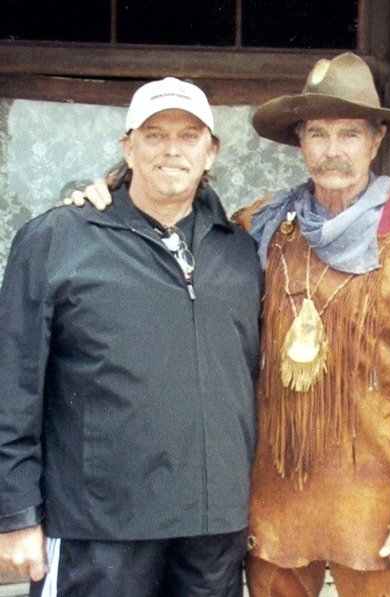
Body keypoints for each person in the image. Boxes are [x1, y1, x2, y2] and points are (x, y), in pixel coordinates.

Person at [73, 53, 390, 597]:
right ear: (300, 141)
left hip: (373, 503)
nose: (333, 149)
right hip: (276, 498)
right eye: (317, 133)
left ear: (377, 139)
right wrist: (110, 192)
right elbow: (176, 215)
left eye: (349, 133)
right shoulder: (263, 226)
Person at [0, 76, 263, 596]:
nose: (172, 150)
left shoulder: (240, 252)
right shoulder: (58, 240)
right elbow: (13, 387)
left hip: (212, 533)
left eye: (189, 137)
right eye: (154, 134)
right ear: (128, 146)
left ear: (211, 153)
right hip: (100, 531)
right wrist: (15, 513)